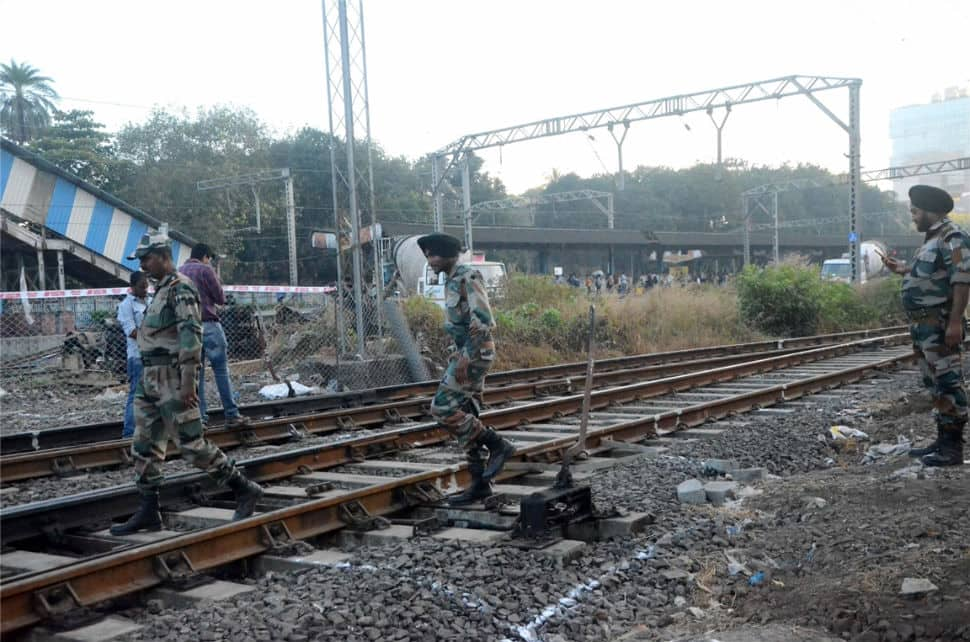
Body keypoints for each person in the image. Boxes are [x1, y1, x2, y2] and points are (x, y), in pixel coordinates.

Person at [111, 231, 263, 535]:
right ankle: (149, 510)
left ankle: (244, 488)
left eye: (147, 259)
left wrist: (188, 382)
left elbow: (191, 338)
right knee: (144, 445)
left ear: (164, 256)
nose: (143, 266)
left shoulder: (181, 288)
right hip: (150, 378)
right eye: (140, 261)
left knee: (192, 445)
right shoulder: (161, 289)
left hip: (171, 378)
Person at [418, 233, 515, 504]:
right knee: (466, 412)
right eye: (427, 256)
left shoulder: (468, 276)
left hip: (476, 353)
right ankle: (479, 484)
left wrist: (466, 357)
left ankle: (498, 445)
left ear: (448, 254)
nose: (430, 261)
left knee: (443, 409)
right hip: (465, 353)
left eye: (433, 255)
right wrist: (458, 354)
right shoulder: (451, 279)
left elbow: (484, 320)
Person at [881, 185, 969, 467]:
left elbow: (962, 278)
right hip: (923, 326)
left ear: (930, 211)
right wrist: (903, 270)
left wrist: (955, 321)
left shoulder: (953, 237)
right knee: (934, 383)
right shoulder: (932, 240)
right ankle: (942, 439)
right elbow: (932, 272)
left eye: (915, 212)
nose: (913, 217)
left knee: (949, 382)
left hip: (941, 324)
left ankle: (953, 448)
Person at [179, 243, 251, 428]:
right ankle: (232, 414)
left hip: (187, 329)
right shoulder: (205, 270)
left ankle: (200, 419)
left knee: (196, 375)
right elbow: (220, 298)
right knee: (220, 370)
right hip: (209, 325)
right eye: (209, 259)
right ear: (205, 257)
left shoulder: (178, 272)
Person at [118, 271, 152, 438]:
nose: (145, 289)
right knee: (136, 395)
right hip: (138, 356)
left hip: (154, 356)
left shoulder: (151, 302)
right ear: (132, 287)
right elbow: (131, 331)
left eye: (146, 286)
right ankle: (129, 433)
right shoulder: (126, 305)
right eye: (142, 286)